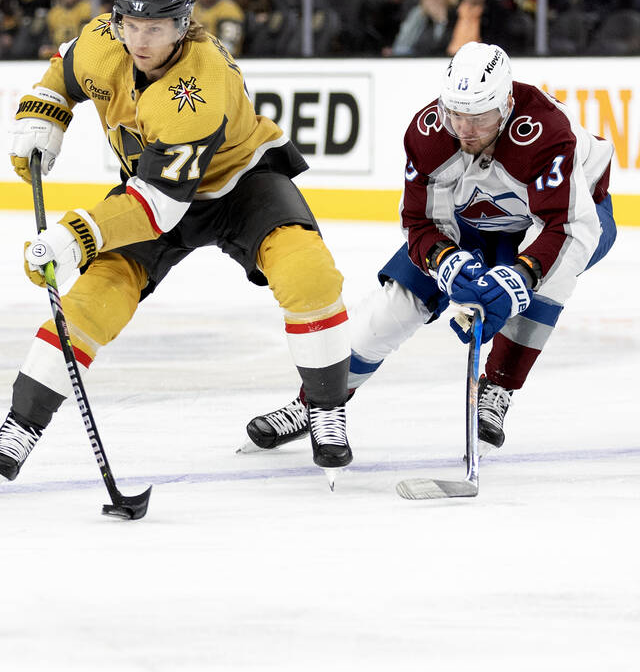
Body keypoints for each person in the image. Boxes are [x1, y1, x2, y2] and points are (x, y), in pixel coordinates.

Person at [0, 0, 354, 493]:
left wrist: (74, 235)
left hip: (239, 185)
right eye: (130, 24)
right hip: (152, 187)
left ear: (183, 24)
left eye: (154, 28)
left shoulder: (198, 86)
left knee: (308, 275)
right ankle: (22, 424)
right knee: (91, 300)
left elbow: (160, 207)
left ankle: (325, 408)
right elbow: (65, 69)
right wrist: (45, 114)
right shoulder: (104, 40)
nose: (139, 39)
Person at [246, 42, 616, 457]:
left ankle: (498, 387)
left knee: (545, 282)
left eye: (478, 118)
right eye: (456, 114)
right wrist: (446, 260)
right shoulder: (429, 133)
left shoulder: (545, 132)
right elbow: (422, 223)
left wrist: (522, 274)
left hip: (569, 219)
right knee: (396, 307)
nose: (464, 130)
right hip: (472, 221)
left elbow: (565, 227)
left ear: (507, 105)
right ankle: (316, 402)